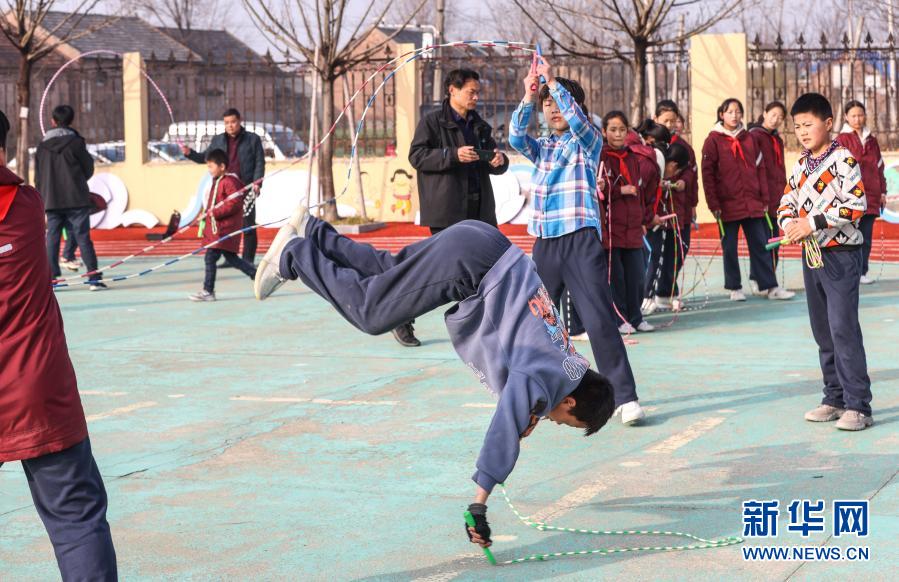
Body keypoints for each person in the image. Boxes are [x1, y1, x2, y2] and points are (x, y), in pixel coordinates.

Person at [253, 207, 616, 549]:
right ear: (570, 401)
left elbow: (528, 361)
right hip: (472, 265)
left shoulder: (569, 359)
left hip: (485, 241)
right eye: (564, 420)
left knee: (389, 270)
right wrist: (479, 505)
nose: (554, 420)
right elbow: (504, 433)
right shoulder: (542, 380)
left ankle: (313, 230)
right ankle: (294, 255)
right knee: (372, 311)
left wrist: (531, 409)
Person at [0, 108, 118, 580]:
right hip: (37, 389)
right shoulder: (24, 204)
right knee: (76, 518)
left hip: (36, 389)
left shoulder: (33, 202)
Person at [509, 56, 645, 425]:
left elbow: (579, 124)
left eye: (559, 102)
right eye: (548, 104)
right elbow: (515, 137)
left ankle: (625, 397)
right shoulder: (541, 147)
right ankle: (534, 394)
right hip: (545, 243)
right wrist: (530, 94)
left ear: (576, 107)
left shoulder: (588, 141)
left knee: (599, 320)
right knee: (537, 322)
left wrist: (553, 83)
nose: (553, 109)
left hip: (581, 242)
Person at [779, 93, 873, 431]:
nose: (803, 132)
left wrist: (812, 223)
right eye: (797, 126)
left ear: (828, 123)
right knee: (823, 330)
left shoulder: (844, 159)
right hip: (812, 255)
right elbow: (786, 201)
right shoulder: (800, 165)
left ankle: (858, 405)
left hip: (841, 255)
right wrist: (789, 224)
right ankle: (834, 398)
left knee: (842, 328)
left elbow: (856, 205)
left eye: (809, 124)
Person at [404, 69, 510, 348]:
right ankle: (402, 316)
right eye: (471, 92)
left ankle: (481, 326)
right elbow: (416, 156)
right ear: (452, 89)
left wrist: (499, 161)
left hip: (480, 212)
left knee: (487, 269)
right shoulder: (432, 122)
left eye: (478, 92)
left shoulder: (480, 125)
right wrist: (452, 155)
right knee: (440, 273)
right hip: (447, 212)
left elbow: (492, 161)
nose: (476, 97)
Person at [701, 98, 794, 302]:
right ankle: (735, 287)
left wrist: (764, 198)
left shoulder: (749, 138)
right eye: (730, 112)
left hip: (752, 203)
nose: (734, 115)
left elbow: (760, 169)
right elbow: (707, 175)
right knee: (730, 248)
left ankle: (770, 287)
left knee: (761, 245)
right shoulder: (713, 141)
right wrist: (713, 204)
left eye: (738, 112)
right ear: (721, 115)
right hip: (727, 205)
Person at [35, 104, 106, 290]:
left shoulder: (42, 146)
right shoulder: (76, 142)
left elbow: (38, 176)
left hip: (51, 199)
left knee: (52, 238)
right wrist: (78, 181)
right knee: (83, 237)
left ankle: (52, 278)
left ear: (53, 121)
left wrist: (42, 195)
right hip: (76, 197)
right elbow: (88, 168)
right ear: (71, 120)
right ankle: (93, 277)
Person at [182, 108, 265, 265]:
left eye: (233, 122)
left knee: (248, 226)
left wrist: (257, 183)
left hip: (246, 188)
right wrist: (189, 153)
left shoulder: (252, 139)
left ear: (239, 121)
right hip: (225, 189)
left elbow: (260, 162)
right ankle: (230, 258)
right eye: (227, 123)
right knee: (227, 226)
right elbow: (205, 157)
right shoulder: (218, 140)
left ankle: (248, 260)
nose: (230, 125)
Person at [599, 111, 656, 334]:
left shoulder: (632, 157)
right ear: (604, 132)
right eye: (613, 130)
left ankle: (636, 317)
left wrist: (643, 220)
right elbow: (598, 190)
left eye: (622, 130)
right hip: (612, 226)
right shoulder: (602, 156)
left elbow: (640, 191)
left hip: (632, 226)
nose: (618, 134)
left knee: (636, 276)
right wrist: (618, 190)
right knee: (617, 278)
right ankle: (620, 318)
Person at [189, 149, 257, 302]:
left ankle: (208, 291)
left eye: (211, 166)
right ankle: (255, 274)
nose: (209, 170)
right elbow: (214, 204)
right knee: (232, 258)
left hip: (224, 229)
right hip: (217, 229)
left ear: (222, 166)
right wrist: (205, 215)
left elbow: (233, 203)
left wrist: (213, 213)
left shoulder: (229, 182)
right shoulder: (217, 181)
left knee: (210, 258)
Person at [835, 100, 887, 285]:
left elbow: (879, 166)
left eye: (860, 115)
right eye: (853, 116)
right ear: (846, 117)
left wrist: (883, 191)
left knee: (865, 237)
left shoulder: (871, 140)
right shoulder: (841, 140)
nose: (857, 119)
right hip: (850, 198)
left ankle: (862, 271)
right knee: (850, 237)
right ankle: (850, 272)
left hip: (871, 196)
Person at [748, 101, 788, 286]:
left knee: (775, 241)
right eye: (773, 114)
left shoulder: (777, 139)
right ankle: (762, 281)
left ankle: (765, 279)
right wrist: (759, 195)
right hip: (761, 198)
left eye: (780, 117)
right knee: (763, 242)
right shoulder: (754, 136)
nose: (776, 119)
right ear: (764, 113)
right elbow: (753, 169)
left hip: (776, 198)